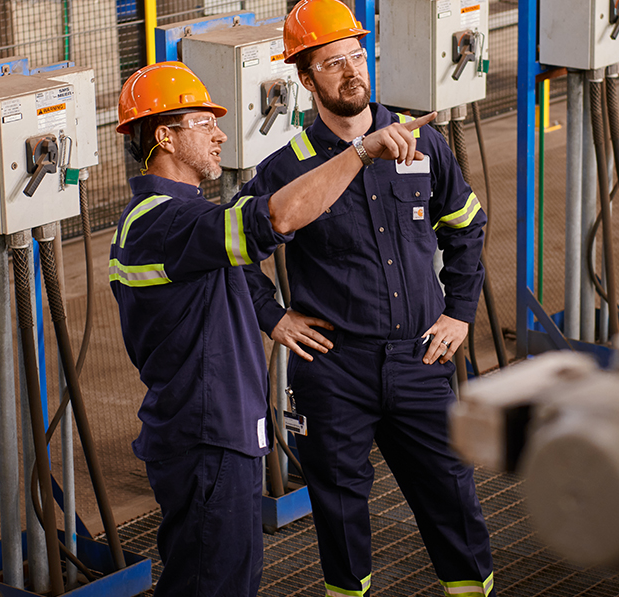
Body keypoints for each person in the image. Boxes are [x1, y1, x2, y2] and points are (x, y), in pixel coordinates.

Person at [110, 60, 435, 597]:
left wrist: (274, 316)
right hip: (208, 437)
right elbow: (277, 219)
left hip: (213, 433)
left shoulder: (166, 218)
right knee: (210, 584)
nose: (219, 134)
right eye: (203, 123)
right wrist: (361, 152)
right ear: (164, 135)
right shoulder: (165, 221)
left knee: (224, 579)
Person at [243, 1, 496, 595]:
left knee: (453, 498)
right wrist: (274, 317)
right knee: (339, 512)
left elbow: (466, 226)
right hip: (334, 370)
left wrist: (459, 313)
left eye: (358, 56)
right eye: (333, 63)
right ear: (305, 80)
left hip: (421, 359)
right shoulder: (287, 169)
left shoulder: (423, 143)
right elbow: (233, 256)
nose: (352, 71)